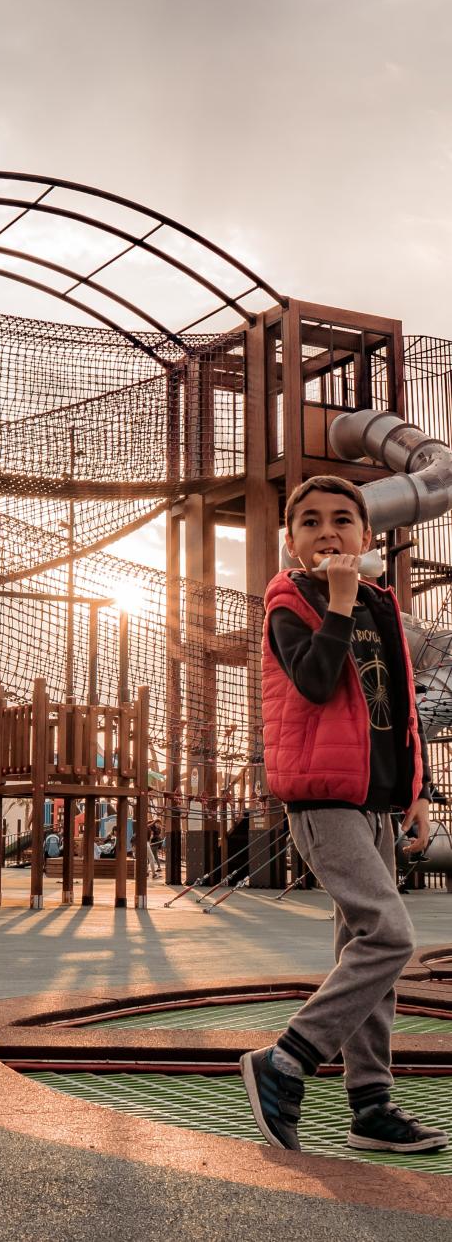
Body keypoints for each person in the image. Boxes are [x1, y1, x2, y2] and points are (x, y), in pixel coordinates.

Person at [240, 475, 447, 1156]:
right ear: (290, 543)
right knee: (389, 937)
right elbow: (314, 680)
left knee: (365, 951)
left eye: (341, 520)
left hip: (376, 801)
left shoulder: (383, 606)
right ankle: (287, 1060)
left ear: (366, 538)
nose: (327, 532)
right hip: (324, 799)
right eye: (310, 523)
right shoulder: (289, 603)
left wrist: (415, 791)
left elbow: (401, 713)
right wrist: (335, 604)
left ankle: (370, 1102)